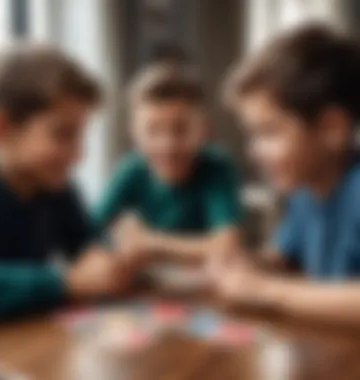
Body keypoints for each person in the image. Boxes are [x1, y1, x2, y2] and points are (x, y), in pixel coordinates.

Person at [216, 24, 360, 327]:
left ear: (332, 128)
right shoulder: (304, 191)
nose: (254, 151)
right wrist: (247, 264)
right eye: (253, 135)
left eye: (269, 132)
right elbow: (284, 258)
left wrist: (268, 291)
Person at [0, 45, 133, 323]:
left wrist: (104, 257)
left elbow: (87, 238)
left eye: (80, 135)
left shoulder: (55, 187)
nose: (79, 154)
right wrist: (65, 282)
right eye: (63, 135)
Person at [93, 64, 242, 264]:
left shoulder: (216, 167)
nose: (167, 145)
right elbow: (87, 233)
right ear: (134, 133)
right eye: (153, 131)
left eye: (181, 129)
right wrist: (116, 235)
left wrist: (149, 241)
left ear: (204, 129)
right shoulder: (130, 169)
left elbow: (226, 246)